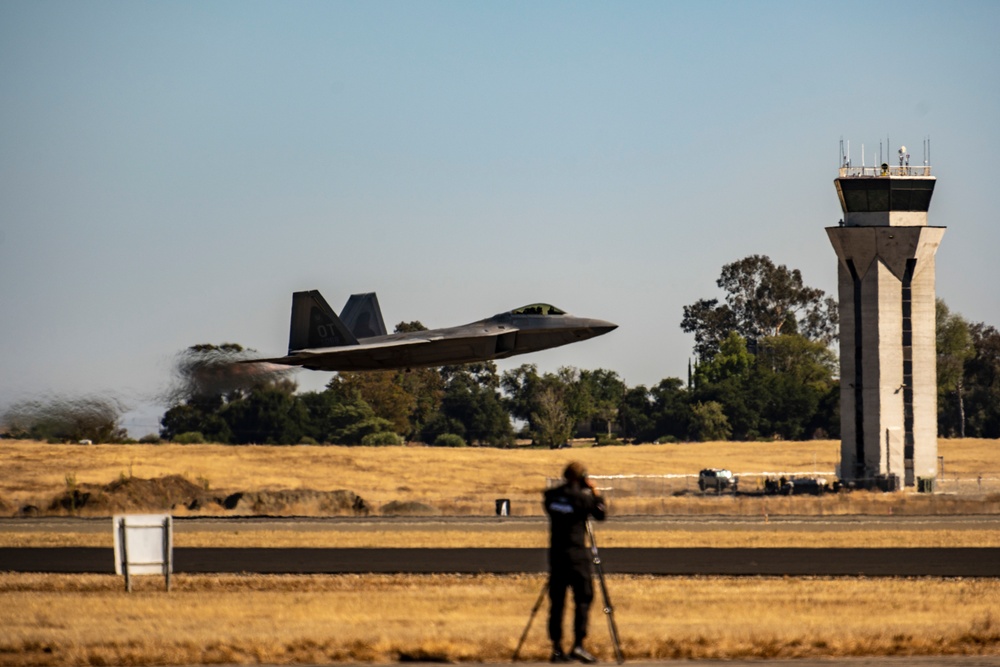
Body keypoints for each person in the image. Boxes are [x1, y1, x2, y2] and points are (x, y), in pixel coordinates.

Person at [543, 461, 606, 663]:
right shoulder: (582, 500)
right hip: (577, 557)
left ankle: (556, 648)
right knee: (583, 599)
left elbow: (552, 504)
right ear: (581, 478)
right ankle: (578, 645)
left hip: (556, 556)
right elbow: (600, 513)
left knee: (557, 603)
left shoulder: (551, 497)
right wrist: (594, 491)